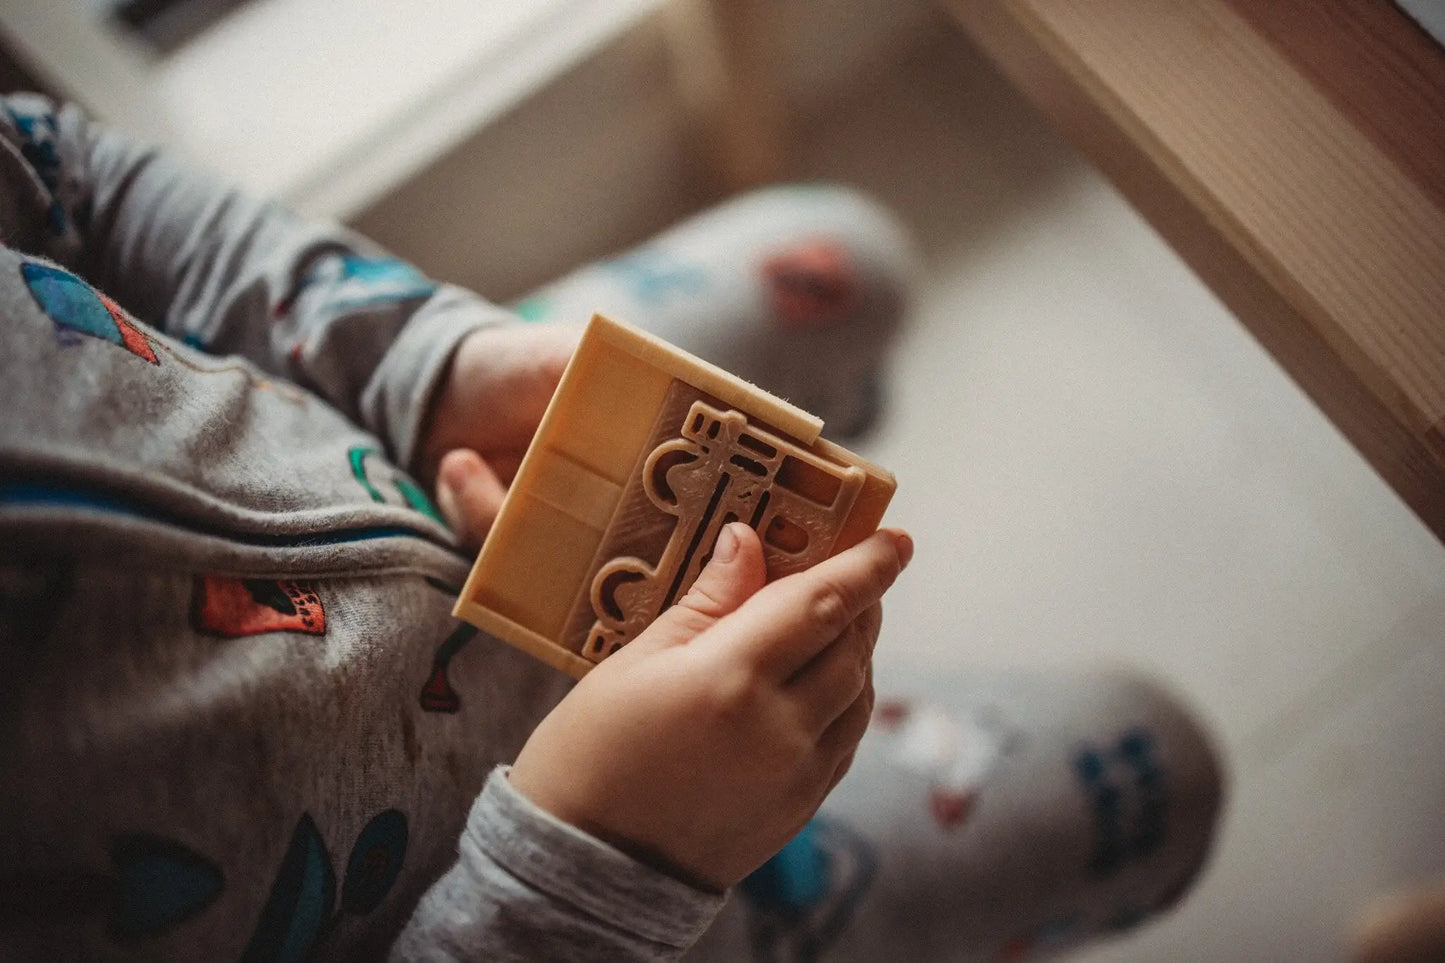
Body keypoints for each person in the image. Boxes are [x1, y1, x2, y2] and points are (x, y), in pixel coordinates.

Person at [0, 93, 1222, 962]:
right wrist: (604, 866)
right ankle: (776, 783)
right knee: (1157, 774)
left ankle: (749, 718)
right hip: (560, 885)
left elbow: (68, 177)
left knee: (848, 259)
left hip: (429, 459)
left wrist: (432, 363)